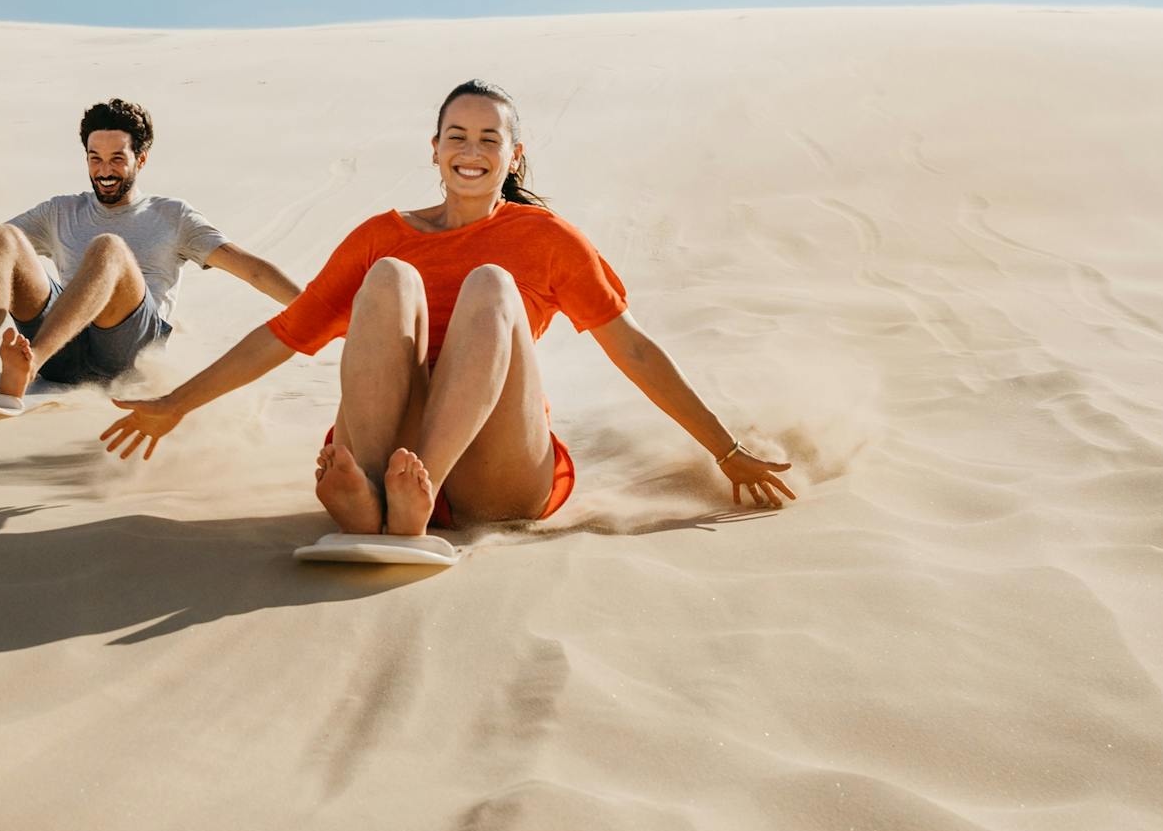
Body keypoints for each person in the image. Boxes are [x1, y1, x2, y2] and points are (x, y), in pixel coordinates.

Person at [97, 79, 798, 533]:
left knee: (490, 285)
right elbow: (285, 333)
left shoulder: (546, 240)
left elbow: (633, 349)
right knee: (389, 277)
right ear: (434, 151)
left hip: (499, 466)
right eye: (456, 137)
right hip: (390, 443)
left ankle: (416, 494)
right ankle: (373, 490)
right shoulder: (381, 236)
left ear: (514, 158)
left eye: (489, 139)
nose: (471, 150)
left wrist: (725, 450)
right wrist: (176, 404)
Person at [0, 97, 301, 400]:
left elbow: (250, 268)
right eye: (94, 158)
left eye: (116, 158)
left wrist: (321, 311)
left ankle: (29, 364)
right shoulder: (62, 210)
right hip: (64, 344)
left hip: (125, 350)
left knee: (109, 249)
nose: (104, 169)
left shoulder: (172, 216)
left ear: (141, 159)